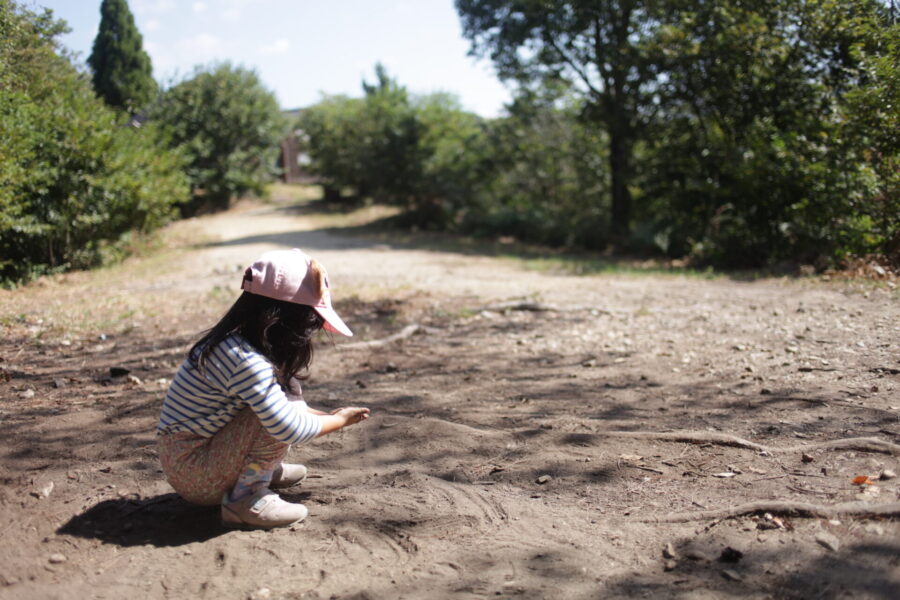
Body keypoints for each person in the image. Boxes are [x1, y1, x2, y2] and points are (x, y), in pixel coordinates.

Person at [156, 248, 370, 529]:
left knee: (277, 407)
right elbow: (287, 427)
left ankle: (256, 469)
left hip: (194, 458)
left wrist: (329, 415)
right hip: (195, 472)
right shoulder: (246, 362)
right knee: (270, 416)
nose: (311, 331)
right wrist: (338, 421)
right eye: (310, 321)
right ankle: (244, 498)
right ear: (282, 317)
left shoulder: (242, 345)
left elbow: (297, 410)